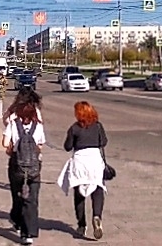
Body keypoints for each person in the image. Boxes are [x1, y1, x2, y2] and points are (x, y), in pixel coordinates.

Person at [58, 101, 108, 240]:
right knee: (97, 189)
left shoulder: (74, 128)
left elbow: (67, 146)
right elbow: (103, 142)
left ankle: (81, 225)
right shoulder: (98, 126)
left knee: (79, 193)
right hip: (95, 160)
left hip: (80, 161)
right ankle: (97, 216)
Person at [2, 99, 45, 245]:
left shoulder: (13, 124)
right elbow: (40, 145)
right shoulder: (38, 125)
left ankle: (17, 220)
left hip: (16, 167)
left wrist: (13, 150)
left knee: (18, 197)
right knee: (31, 200)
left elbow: (5, 143)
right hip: (34, 168)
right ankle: (28, 234)